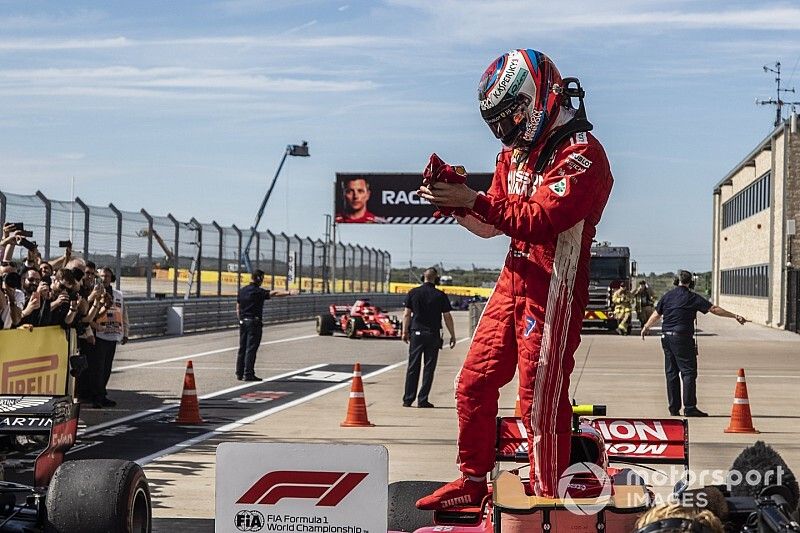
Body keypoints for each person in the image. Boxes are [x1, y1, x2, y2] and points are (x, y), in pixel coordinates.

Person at [416, 49, 613, 509]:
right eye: (499, 125)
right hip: (515, 274)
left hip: (555, 283)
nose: (507, 133)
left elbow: (540, 219)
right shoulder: (515, 153)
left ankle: (549, 499)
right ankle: (472, 480)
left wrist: (476, 201)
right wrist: (457, 203)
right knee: (473, 381)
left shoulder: (584, 154)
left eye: (512, 118)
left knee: (538, 397)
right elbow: (493, 225)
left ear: (539, 96)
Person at [641, 270, 747, 417]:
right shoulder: (691, 297)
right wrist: (734, 316)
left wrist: (646, 326)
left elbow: (657, 313)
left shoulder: (667, 296)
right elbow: (713, 309)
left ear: (676, 282)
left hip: (666, 338)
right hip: (682, 339)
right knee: (688, 372)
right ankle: (690, 407)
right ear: (691, 283)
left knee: (671, 373)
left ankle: (674, 408)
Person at [401, 267, 456, 408]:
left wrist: (404, 332)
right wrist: (452, 335)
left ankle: (408, 399)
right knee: (429, 367)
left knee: (413, 366)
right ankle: (422, 399)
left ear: (422, 277)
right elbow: (447, 316)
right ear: (436, 279)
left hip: (416, 333)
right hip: (432, 335)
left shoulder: (413, 293)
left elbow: (407, 314)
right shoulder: (440, 295)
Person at [235, 269, 293, 381]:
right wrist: (289, 292)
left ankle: (239, 372)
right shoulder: (257, 291)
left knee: (242, 348)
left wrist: (241, 320)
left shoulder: (242, 291)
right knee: (251, 348)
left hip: (243, 322)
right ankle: (248, 373)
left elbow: (237, 307)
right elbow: (274, 293)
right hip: (254, 323)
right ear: (259, 278)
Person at [92, 266, 129, 407]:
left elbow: (124, 314)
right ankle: (96, 396)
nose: (104, 278)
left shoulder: (118, 294)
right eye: (102, 276)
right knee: (98, 368)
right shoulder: (95, 292)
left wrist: (125, 332)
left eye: (107, 276)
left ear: (111, 278)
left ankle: (102, 394)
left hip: (113, 335)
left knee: (107, 368)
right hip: (99, 335)